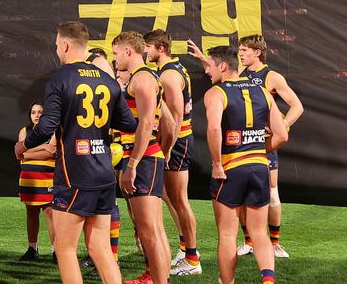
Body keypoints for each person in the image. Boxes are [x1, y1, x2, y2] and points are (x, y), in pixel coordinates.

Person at [15, 21, 135, 284]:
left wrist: (23, 145)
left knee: (65, 248)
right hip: (103, 171)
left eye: (57, 44)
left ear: (66, 45)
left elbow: (46, 126)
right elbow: (128, 123)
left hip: (74, 174)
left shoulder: (59, 78)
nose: (56, 48)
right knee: (101, 248)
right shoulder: (108, 80)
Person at [202, 46, 289, 284]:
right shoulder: (262, 90)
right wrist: (257, 149)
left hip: (230, 168)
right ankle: (268, 280)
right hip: (260, 166)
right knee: (260, 232)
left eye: (209, 65)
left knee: (228, 234)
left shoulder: (216, 93)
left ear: (222, 67)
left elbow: (213, 128)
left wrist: (217, 163)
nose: (207, 71)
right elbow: (282, 136)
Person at [235, 35, 302, 260]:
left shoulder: (271, 76)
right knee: (243, 194)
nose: (241, 53)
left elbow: (296, 106)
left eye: (245, 50)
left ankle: (274, 243)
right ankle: (249, 241)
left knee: (272, 194)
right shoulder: (241, 75)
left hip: (265, 144)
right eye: (240, 50)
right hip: (245, 143)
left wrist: (282, 125)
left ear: (257, 52)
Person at [113, 30, 172, 284]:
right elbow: (168, 123)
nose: (115, 59)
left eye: (116, 53)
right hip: (148, 156)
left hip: (143, 159)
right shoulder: (144, 77)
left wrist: (134, 163)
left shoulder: (142, 79)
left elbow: (148, 123)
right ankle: (160, 279)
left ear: (128, 51)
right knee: (155, 230)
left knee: (149, 231)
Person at [144, 30, 200, 276]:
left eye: (148, 47)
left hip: (177, 142)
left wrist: (166, 149)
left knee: (179, 201)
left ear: (160, 48)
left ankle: (192, 258)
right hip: (178, 140)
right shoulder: (175, 67)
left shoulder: (167, 75)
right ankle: (184, 248)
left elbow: (176, 116)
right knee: (170, 198)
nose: (146, 51)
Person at [16, 101, 55, 262]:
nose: (37, 115)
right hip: (28, 178)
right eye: (33, 112)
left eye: (40, 112)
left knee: (50, 214)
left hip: (48, 179)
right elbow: (19, 153)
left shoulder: (53, 130)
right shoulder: (24, 131)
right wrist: (43, 150)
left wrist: (29, 152)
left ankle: (56, 251)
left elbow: (52, 151)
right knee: (31, 214)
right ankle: (32, 249)